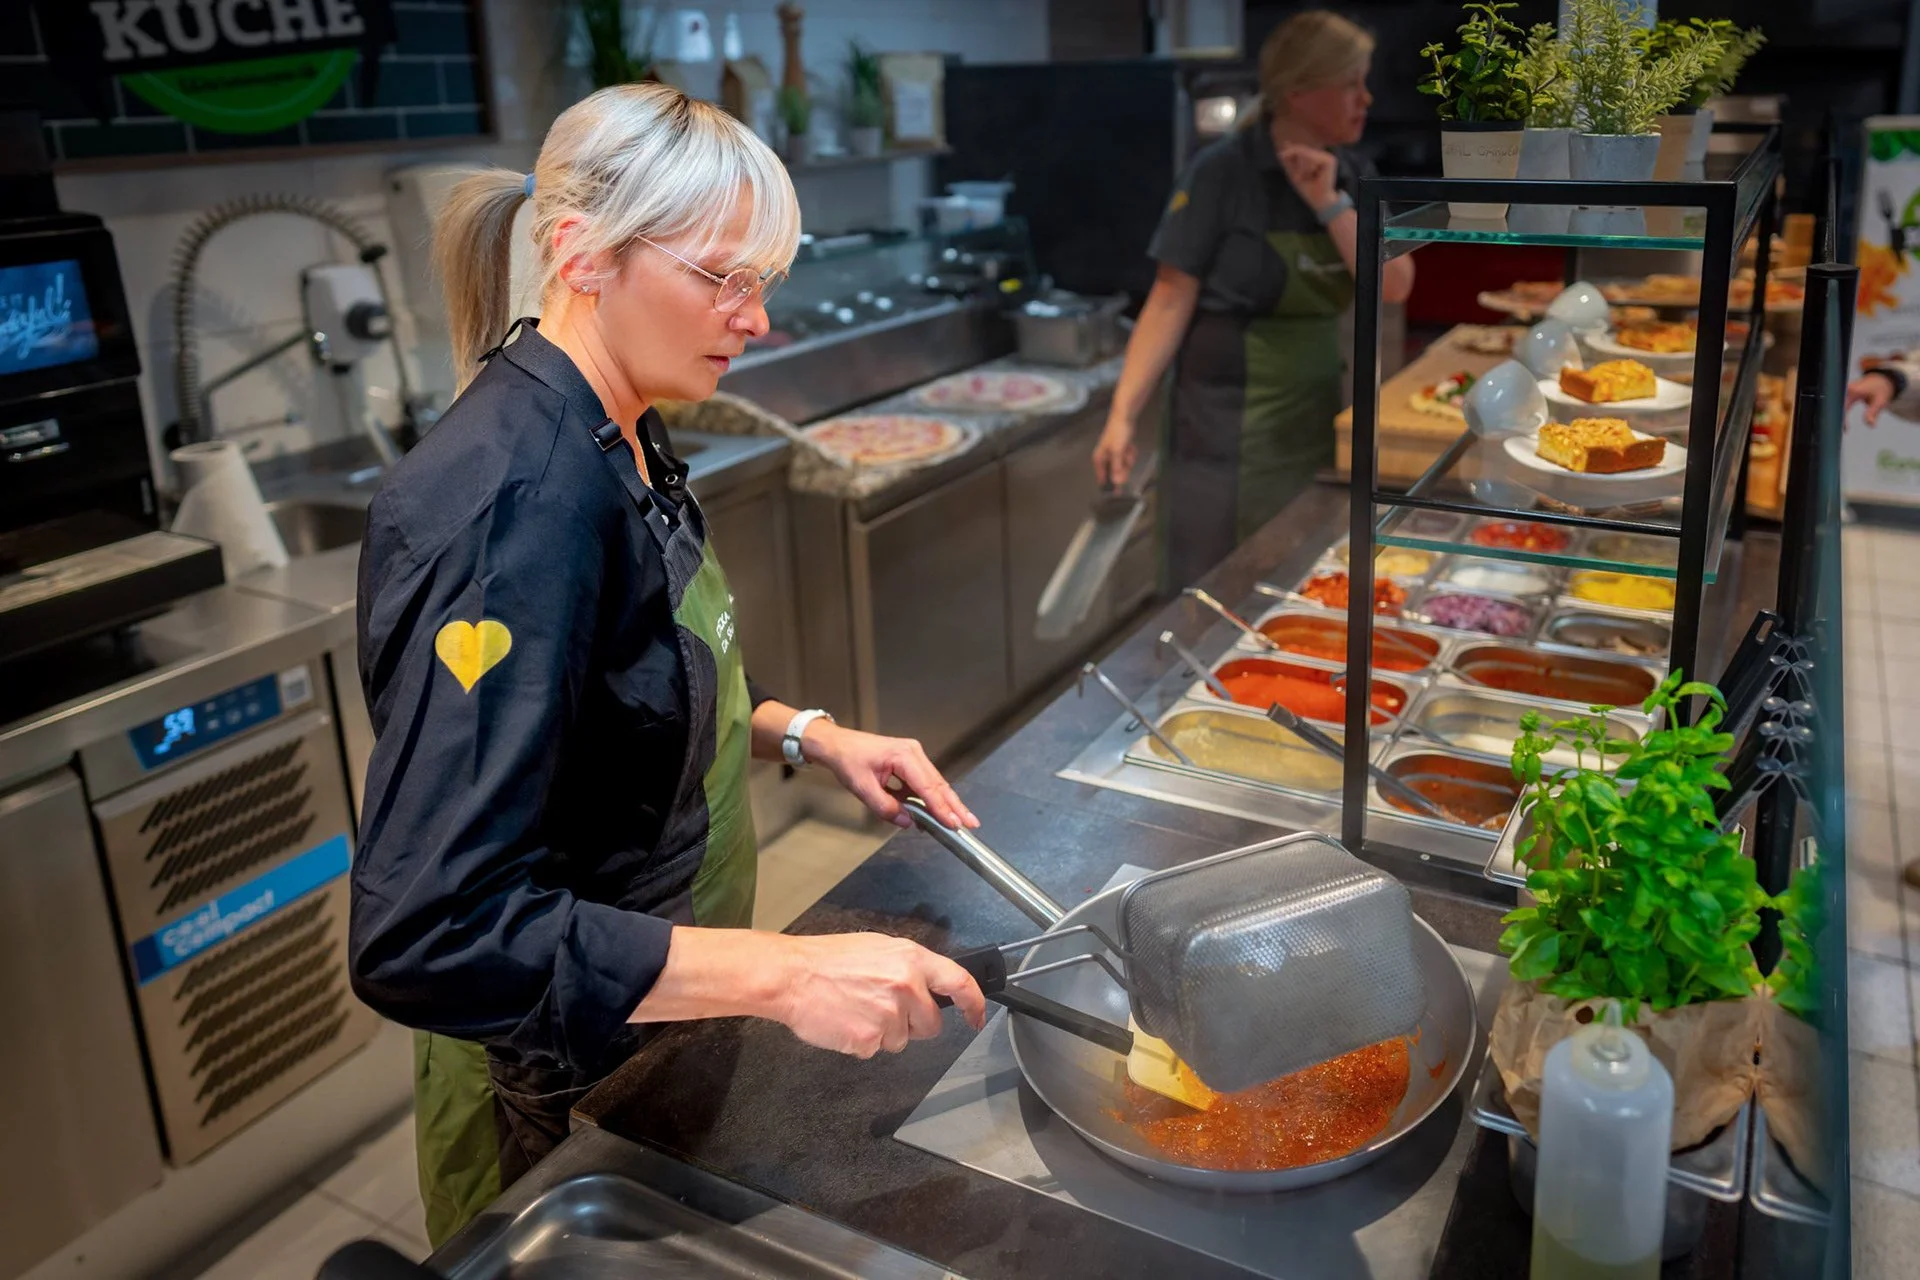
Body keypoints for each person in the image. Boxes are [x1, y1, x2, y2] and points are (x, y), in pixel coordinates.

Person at [348, 83, 988, 1247]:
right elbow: (430, 933)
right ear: (579, 254)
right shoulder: (512, 512)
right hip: (563, 1065)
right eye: (722, 277)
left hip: (663, 1003)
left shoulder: (627, 420)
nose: (755, 320)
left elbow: (623, 692)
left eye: (765, 284)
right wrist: (788, 977)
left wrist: (807, 732)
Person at [1093, 10, 1415, 587]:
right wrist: (1121, 418)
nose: (1366, 98)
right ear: (1298, 90)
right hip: (1222, 433)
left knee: (1293, 574)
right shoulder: (1222, 173)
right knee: (1213, 584)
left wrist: (1329, 203)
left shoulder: (1353, 171)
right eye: (1351, 83)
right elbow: (1169, 300)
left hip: (1314, 415)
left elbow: (1395, 285)